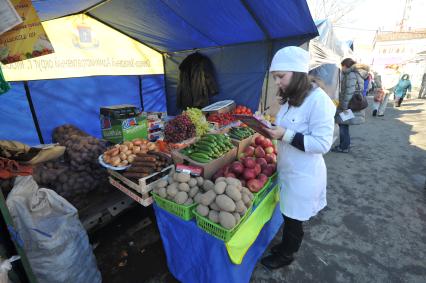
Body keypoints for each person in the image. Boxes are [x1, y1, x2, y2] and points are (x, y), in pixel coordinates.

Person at [257, 46, 336, 269]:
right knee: (288, 213)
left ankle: (287, 255)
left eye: (280, 76)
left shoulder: (319, 101)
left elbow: (322, 143)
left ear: (298, 73)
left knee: (294, 220)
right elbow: (287, 127)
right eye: (275, 78)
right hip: (289, 168)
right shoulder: (293, 98)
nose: (277, 82)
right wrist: (271, 128)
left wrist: (285, 134)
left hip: (304, 175)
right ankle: (284, 247)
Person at [332, 58, 370, 153]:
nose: (342, 68)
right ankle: (345, 145)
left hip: (348, 105)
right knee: (344, 125)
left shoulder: (351, 74)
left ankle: (343, 147)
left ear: (346, 65)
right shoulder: (357, 73)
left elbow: (349, 92)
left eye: (342, 66)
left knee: (343, 125)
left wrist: (344, 107)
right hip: (351, 104)